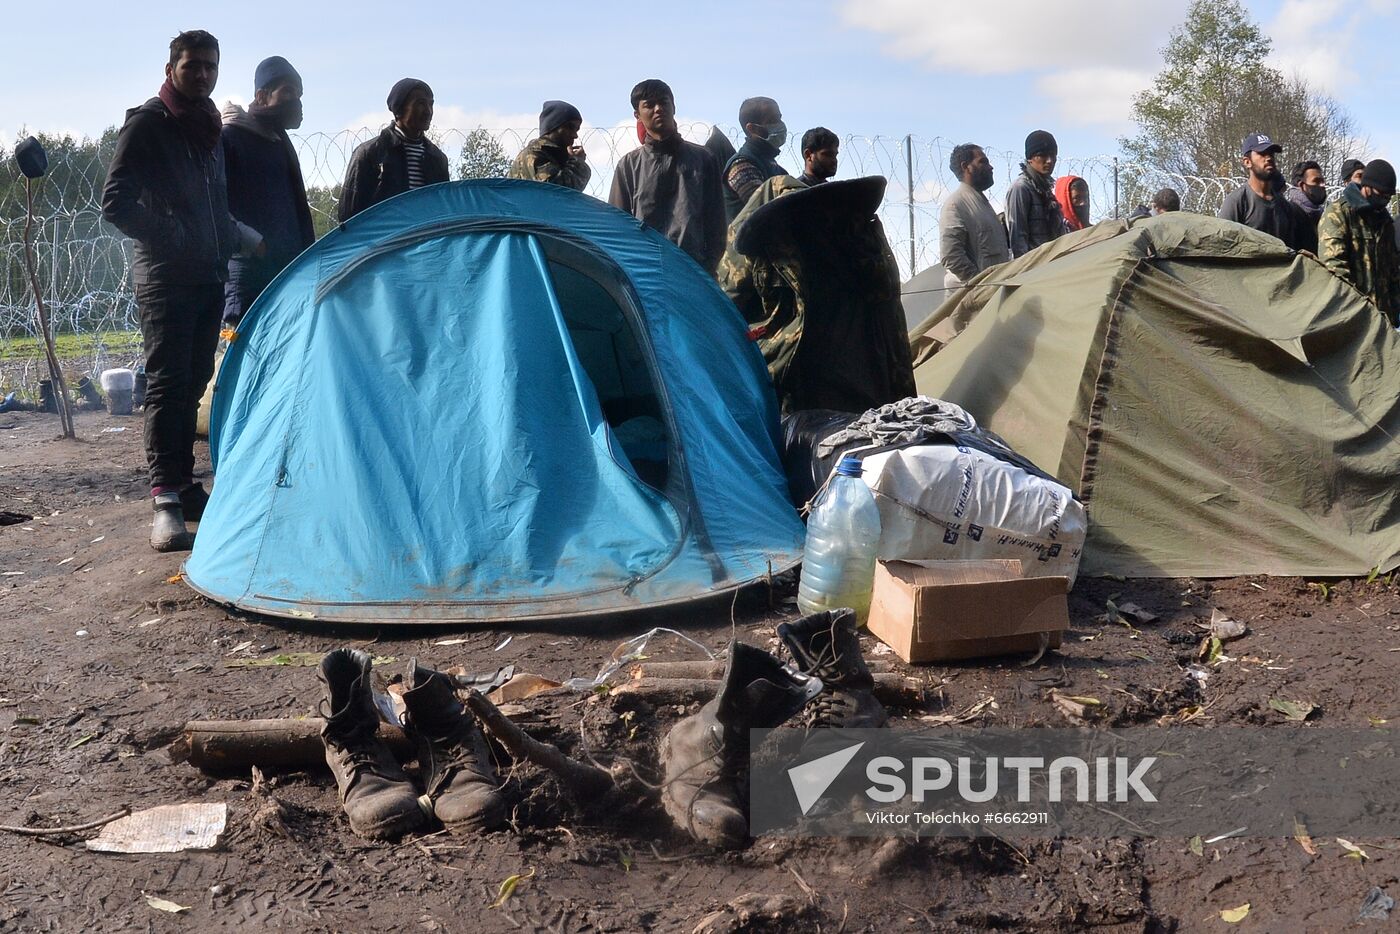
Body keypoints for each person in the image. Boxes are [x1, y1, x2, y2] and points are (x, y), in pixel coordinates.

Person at [101, 29, 262, 551]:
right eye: (193, 65)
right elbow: (116, 202)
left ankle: (187, 486)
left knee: (193, 379)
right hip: (166, 275)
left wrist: (236, 236)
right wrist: (176, 237)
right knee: (170, 384)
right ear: (172, 67)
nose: (203, 74)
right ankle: (165, 499)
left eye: (210, 66)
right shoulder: (150, 124)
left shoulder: (208, 127)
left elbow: (209, 204)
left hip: (208, 273)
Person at [221, 56, 315, 324]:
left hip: (288, 272)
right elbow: (215, 206)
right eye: (287, 92)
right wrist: (253, 242)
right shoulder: (230, 138)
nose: (295, 100)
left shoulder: (280, 142)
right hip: (248, 274)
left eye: (298, 94)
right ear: (261, 97)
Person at [609, 79, 726, 274]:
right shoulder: (628, 165)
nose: (658, 109)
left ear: (674, 107)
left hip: (693, 269)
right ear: (637, 114)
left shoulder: (703, 159)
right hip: (646, 272)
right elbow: (618, 227)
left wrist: (708, 266)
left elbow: (717, 222)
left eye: (664, 102)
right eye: (649, 105)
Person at [338, 79, 449, 223]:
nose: (428, 111)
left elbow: (444, 211)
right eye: (420, 103)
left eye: (431, 104)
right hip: (386, 243)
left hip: (427, 242)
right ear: (399, 109)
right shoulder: (370, 154)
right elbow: (348, 217)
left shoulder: (437, 159)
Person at [1318, 158, 1400, 324]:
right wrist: (1357, 315)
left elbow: (1393, 273)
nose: (1384, 201)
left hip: (1384, 322)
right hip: (1352, 320)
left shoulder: (1385, 223)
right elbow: (1334, 271)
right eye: (1381, 195)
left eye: (1388, 197)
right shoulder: (1338, 214)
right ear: (1367, 187)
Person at [1217, 133, 1307, 251]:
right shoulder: (1237, 201)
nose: (1269, 158)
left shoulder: (1284, 206)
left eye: (1271, 154)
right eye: (1262, 154)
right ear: (1247, 162)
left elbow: (1290, 250)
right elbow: (1223, 248)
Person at [939, 143, 1009, 290]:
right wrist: (978, 284)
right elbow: (950, 256)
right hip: (970, 299)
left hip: (991, 292)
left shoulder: (982, 204)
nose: (991, 167)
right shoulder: (956, 205)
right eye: (983, 162)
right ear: (966, 167)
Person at [723, 96, 787, 219]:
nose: (780, 125)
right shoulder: (741, 165)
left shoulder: (773, 166)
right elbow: (766, 210)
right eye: (773, 120)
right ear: (752, 128)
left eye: (779, 118)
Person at [1005, 130, 1066, 257]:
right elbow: (1018, 238)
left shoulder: (1045, 190)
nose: (1049, 161)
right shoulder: (1021, 189)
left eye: (1053, 155)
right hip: (1034, 267)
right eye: (1042, 155)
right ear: (1030, 158)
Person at [507, 100, 591, 191]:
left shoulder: (555, 156)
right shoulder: (535, 153)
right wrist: (577, 163)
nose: (575, 135)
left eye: (576, 130)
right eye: (570, 127)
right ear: (553, 126)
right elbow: (556, 192)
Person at [1285, 160, 1326, 253]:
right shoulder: (1289, 214)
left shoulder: (1323, 215)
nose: (1322, 185)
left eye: (1323, 181)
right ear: (1301, 185)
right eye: (1316, 181)